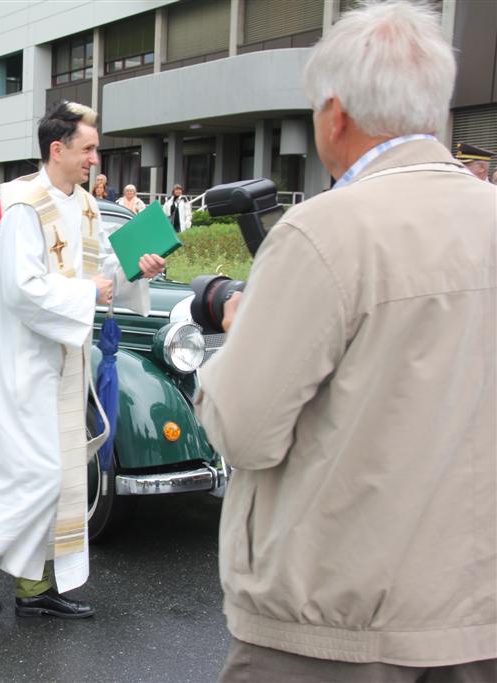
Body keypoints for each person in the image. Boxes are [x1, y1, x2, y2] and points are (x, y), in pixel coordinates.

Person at [193, 3, 496, 680]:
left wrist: (243, 327)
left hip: (334, 629)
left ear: (335, 114)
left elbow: (242, 429)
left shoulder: (324, 232)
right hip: (475, 617)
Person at [0, 101, 165, 618]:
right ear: (57, 150)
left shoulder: (82, 205)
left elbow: (103, 269)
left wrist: (138, 268)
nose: (95, 160)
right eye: (88, 149)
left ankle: (35, 591)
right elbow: (20, 290)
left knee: (60, 477)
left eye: (96, 150)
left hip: (65, 362)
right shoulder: (22, 206)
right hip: (23, 365)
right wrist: (88, 292)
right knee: (30, 473)